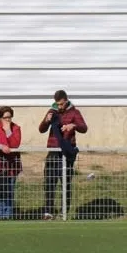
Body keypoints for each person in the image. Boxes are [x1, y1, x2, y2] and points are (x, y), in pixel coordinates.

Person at [38, 90, 88, 219]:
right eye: (57, 104)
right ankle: (48, 211)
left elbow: (84, 127)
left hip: (66, 153)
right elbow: (41, 129)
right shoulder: (51, 111)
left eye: (61, 104)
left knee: (65, 183)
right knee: (49, 182)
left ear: (66, 101)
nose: (59, 107)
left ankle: (63, 212)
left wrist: (73, 125)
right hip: (53, 151)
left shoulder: (74, 112)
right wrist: (46, 121)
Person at [0, 106, 22, 220]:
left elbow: (15, 144)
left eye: (9, 117)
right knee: (1, 190)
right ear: (0, 118)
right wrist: (0, 146)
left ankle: (7, 215)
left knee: (10, 190)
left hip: (11, 165)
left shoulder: (16, 128)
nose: (7, 119)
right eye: (5, 117)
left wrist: (8, 131)